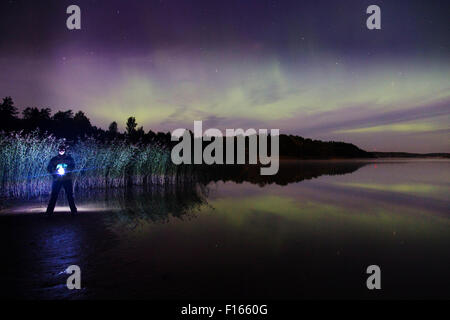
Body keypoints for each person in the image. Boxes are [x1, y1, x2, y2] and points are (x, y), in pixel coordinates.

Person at [46, 144, 77, 215]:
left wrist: (66, 170)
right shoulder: (54, 159)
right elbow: (49, 168)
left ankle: (74, 211)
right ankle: (49, 212)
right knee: (54, 195)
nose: (61, 151)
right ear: (58, 150)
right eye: (60, 150)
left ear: (65, 150)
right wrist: (55, 173)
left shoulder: (69, 159)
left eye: (63, 150)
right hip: (57, 180)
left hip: (67, 179)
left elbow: (72, 166)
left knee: (70, 195)